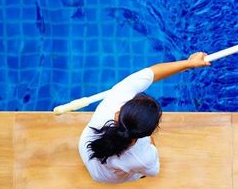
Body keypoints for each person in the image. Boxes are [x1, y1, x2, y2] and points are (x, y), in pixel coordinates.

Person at [78, 52, 210, 183]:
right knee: (142, 174)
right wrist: (151, 142)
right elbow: (154, 171)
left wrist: (189, 63)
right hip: (104, 177)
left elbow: (152, 73)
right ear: (150, 132)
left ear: (119, 112)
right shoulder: (143, 158)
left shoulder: (115, 99)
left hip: (85, 148)